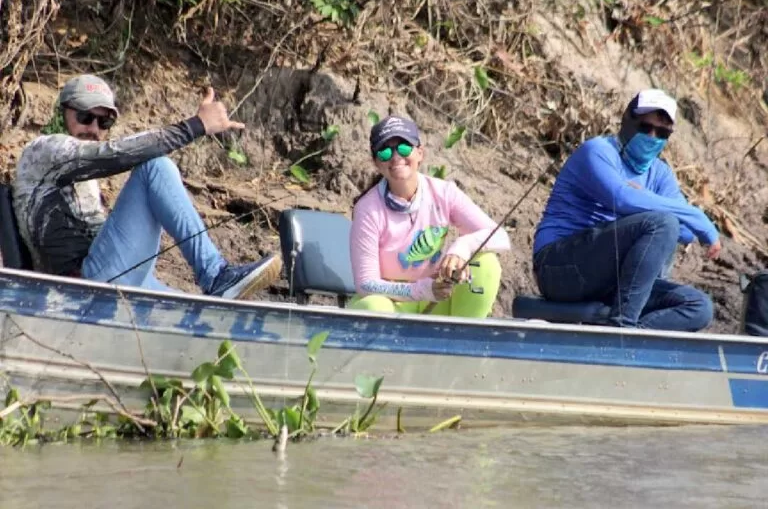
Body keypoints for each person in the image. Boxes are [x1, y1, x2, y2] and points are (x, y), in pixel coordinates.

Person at [12, 74, 282, 299]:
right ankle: (214, 274)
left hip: (105, 272)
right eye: (84, 117)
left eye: (104, 121)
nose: (93, 128)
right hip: (79, 287)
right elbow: (117, 154)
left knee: (193, 311)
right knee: (156, 167)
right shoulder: (43, 150)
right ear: (61, 113)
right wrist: (196, 125)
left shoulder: (81, 174)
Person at [532, 88, 720, 331]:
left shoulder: (660, 173)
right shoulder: (598, 151)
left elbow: (684, 234)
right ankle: (622, 329)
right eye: (645, 127)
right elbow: (621, 199)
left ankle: (631, 343)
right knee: (662, 223)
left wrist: (645, 197)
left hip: (615, 279)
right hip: (559, 268)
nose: (653, 137)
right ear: (628, 121)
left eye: (662, 133)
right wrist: (695, 214)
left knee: (698, 306)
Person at [348, 115, 511, 318]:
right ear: (376, 163)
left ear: (420, 153)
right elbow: (366, 283)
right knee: (373, 307)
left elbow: (501, 237)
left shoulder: (444, 193)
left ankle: (464, 340)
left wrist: (461, 249)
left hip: (436, 300)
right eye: (385, 151)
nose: (396, 156)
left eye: (404, 148)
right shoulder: (366, 209)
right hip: (391, 303)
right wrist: (420, 290)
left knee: (486, 262)